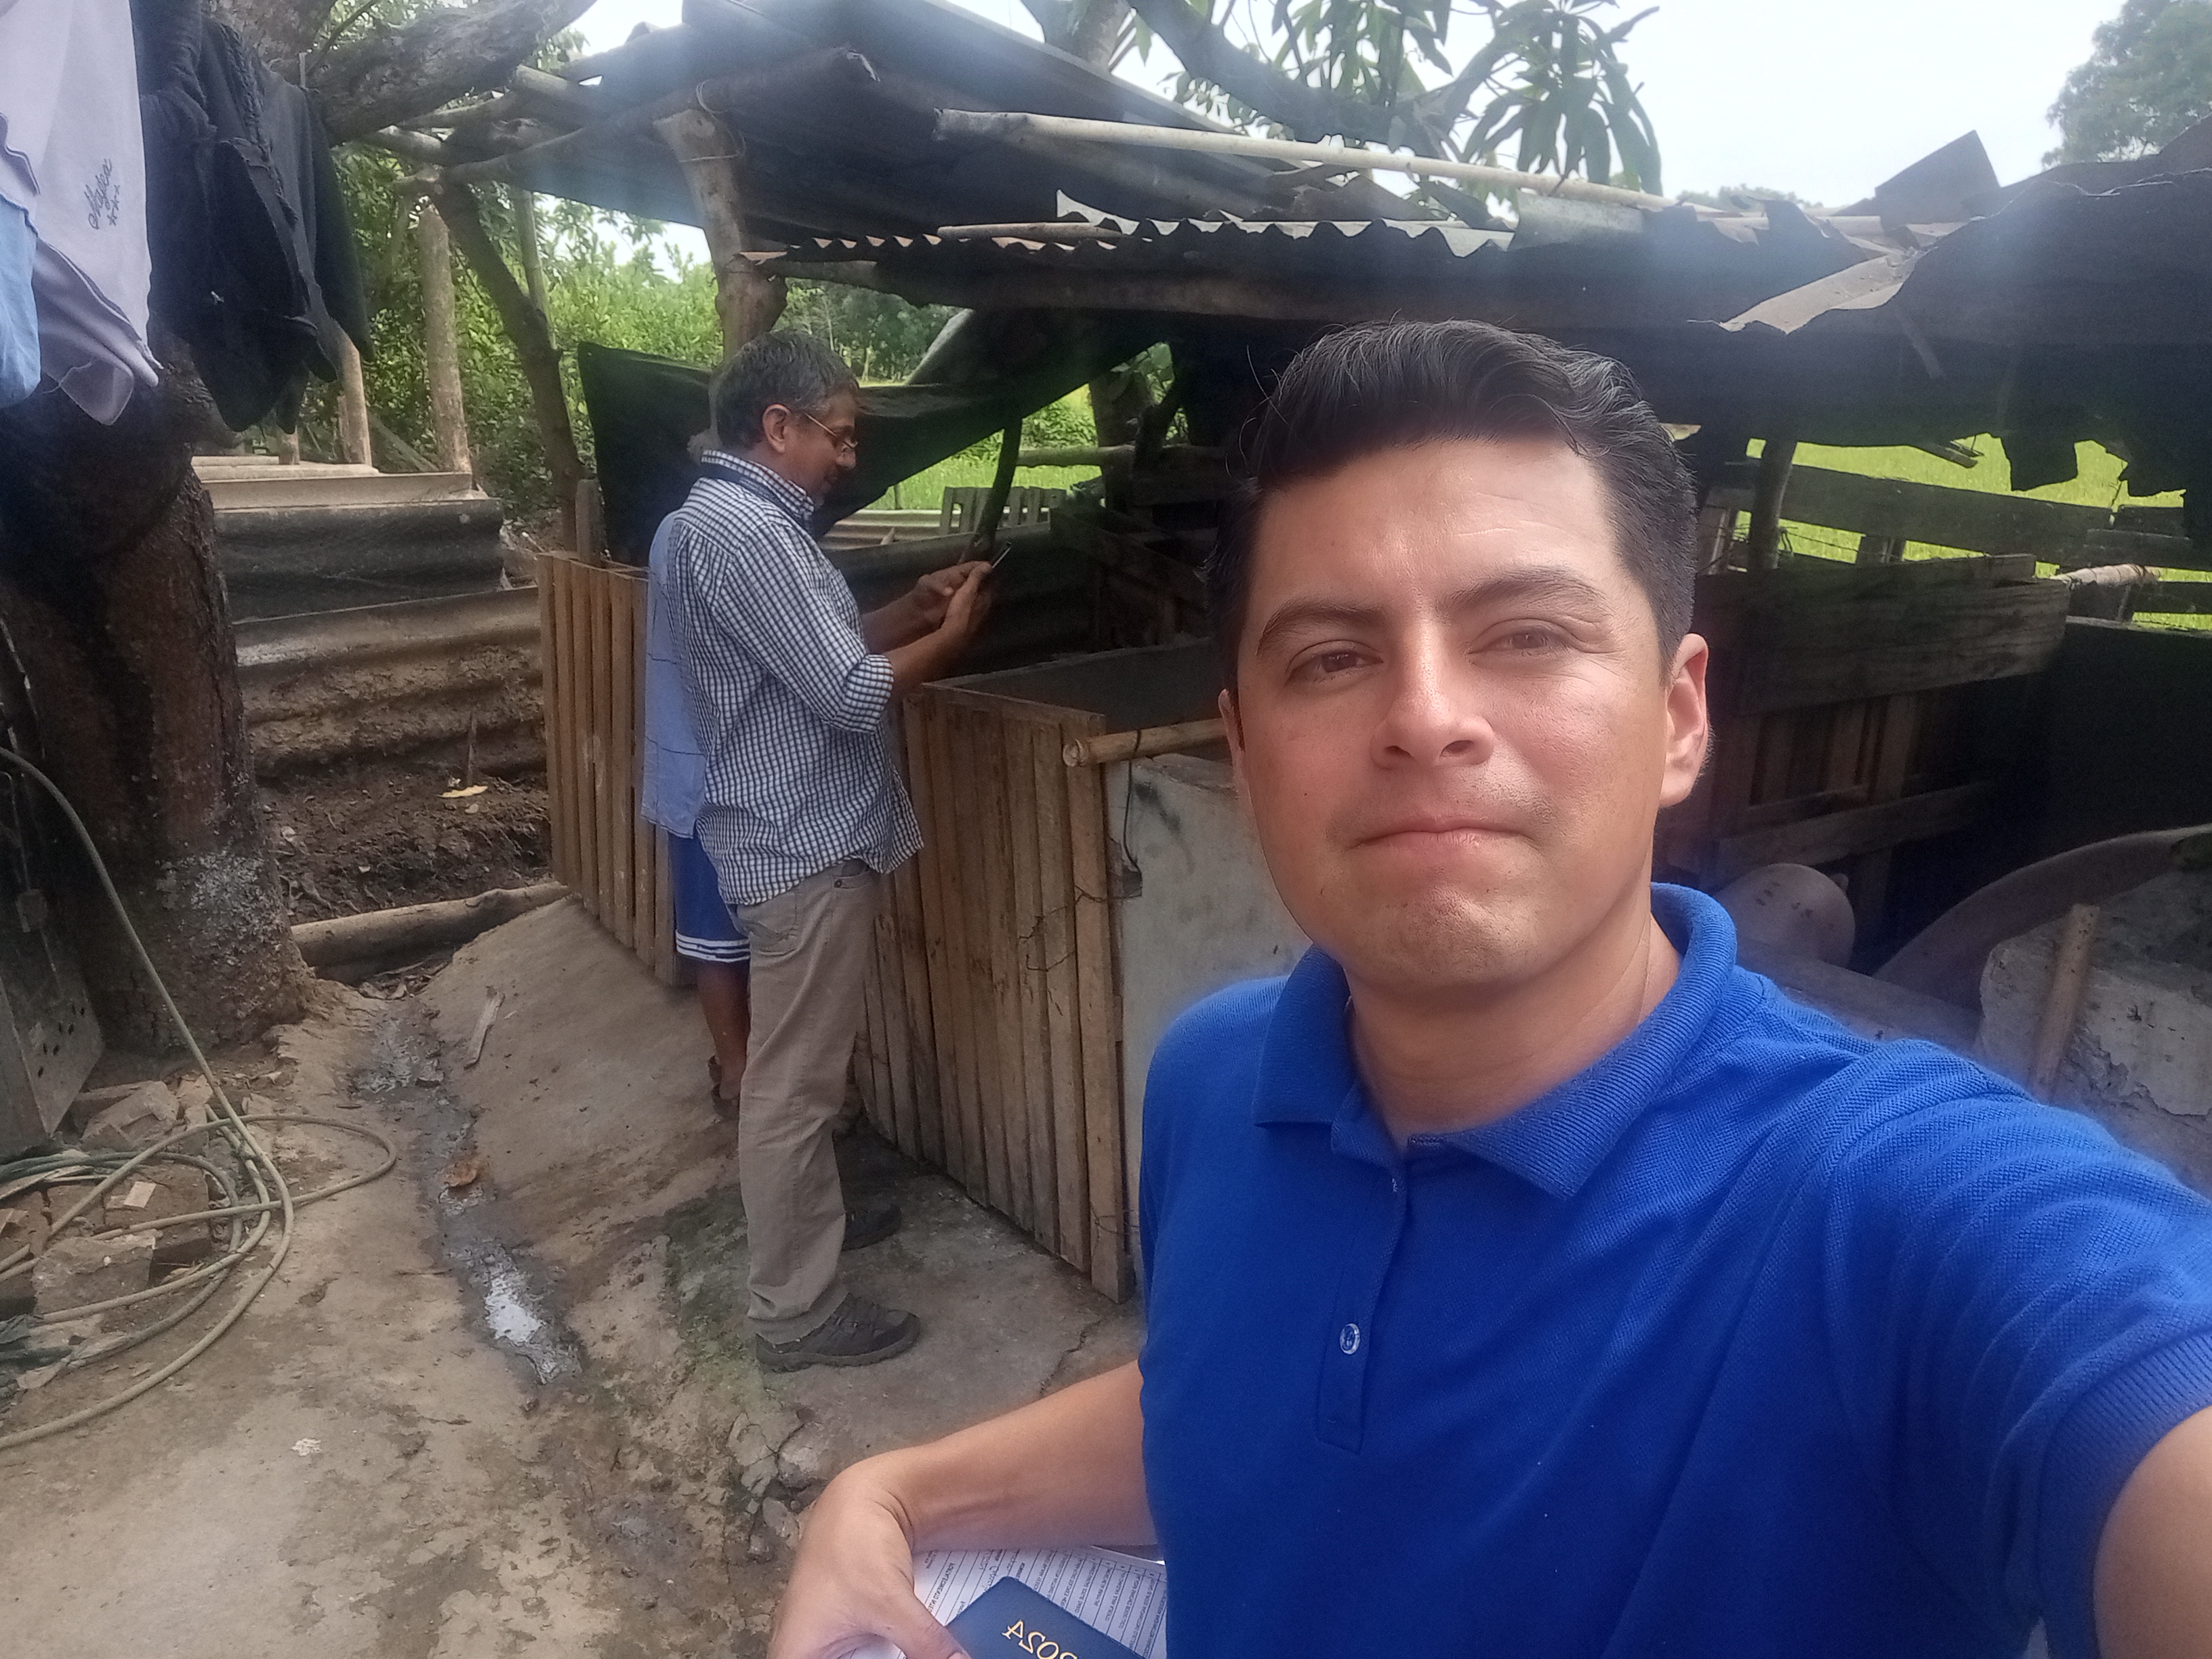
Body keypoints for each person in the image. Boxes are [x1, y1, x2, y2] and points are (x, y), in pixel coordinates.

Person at [769, 321, 2212, 1658]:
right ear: (1244, 753)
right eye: (1331, 657)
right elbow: (1219, 1402)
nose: (1424, 717)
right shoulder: (1213, 1081)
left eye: (1526, 634)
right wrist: (896, 1491)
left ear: (1678, 718)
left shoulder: (1895, 1215)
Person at [667, 331, 991, 1373]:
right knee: (792, 1089)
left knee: (794, 1078)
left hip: (787, 833)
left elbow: (823, 650)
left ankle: (813, 1237)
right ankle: (795, 1315)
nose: (847, 458)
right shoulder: (748, 536)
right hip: (797, 842)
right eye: (839, 436)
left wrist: (911, 609)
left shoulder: (736, 522)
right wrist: (954, 639)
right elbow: (850, 695)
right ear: (779, 426)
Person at [641, 501, 753, 1117]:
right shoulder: (706, 536)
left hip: (701, 761)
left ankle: (738, 1070)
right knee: (718, 936)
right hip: (707, 764)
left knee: (721, 935)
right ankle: (738, 1071)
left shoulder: (679, 529)